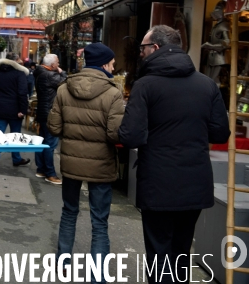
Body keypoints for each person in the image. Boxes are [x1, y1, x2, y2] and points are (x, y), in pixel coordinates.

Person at [119, 25, 230, 283]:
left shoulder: (145, 85)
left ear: (156, 48)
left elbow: (131, 136)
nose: (142, 53)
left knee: (159, 253)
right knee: (181, 252)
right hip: (195, 182)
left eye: (143, 48)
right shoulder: (207, 85)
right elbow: (220, 134)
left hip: (158, 182)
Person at [49, 43, 124, 284]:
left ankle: (62, 263)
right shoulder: (113, 93)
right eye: (112, 63)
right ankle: (97, 276)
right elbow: (115, 134)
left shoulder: (63, 88)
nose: (114, 67)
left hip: (71, 162)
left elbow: (54, 127)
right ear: (104, 64)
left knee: (69, 212)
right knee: (99, 221)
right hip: (100, 165)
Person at [0, 52, 31, 168]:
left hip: (1, 107)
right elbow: (22, 93)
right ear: (16, 60)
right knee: (15, 135)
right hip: (16, 110)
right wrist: (23, 109)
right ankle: (16, 158)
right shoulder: (19, 74)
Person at [34, 54, 66, 185]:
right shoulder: (49, 75)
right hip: (50, 113)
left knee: (42, 141)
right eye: (57, 63)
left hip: (43, 111)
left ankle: (41, 169)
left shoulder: (40, 72)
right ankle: (50, 173)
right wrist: (62, 72)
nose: (58, 65)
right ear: (52, 65)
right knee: (50, 144)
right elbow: (66, 82)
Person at [201, 1, 230, 84]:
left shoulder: (224, 25)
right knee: (208, 80)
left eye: (219, 9)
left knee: (214, 81)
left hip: (220, 58)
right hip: (212, 57)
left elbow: (227, 43)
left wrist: (211, 46)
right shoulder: (217, 25)